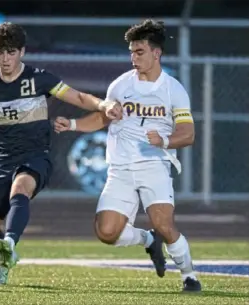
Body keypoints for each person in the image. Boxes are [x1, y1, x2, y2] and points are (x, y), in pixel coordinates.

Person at [0, 22, 121, 286]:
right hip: (1, 160)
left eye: (10, 52)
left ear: (21, 52)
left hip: (35, 155)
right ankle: (5, 258)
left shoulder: (39, 79)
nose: (5, 58)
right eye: (0, 52)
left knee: (20, 188)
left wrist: (104, 103)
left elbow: (79, 98)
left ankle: (10, 242)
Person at [54, 19, 201, 292]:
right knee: (107, 232)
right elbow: (101, 119)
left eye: (139, 51)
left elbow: (188, 134)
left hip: (153, 166)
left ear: (156, 53)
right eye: (131, 52)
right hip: (120, 169)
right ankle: (148, 240)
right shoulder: (120, 86)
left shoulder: (173, 90)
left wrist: (165, 140)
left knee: (165, 224)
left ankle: (189, 275)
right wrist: (72, 125)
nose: (133, 57)